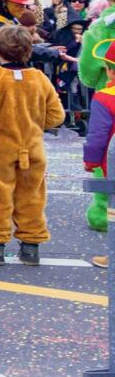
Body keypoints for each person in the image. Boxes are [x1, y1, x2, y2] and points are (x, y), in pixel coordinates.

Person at [0, 24, 65, 265]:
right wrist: (34, 122)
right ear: (30, 49)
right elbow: (56, 116)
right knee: (32, 195)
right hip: (32, 147)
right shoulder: (39, 78)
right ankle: (31, 246)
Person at [81, 36, 115, 266]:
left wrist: (91, 161)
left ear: (110, 71)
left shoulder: (104, 97)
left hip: (112, 162)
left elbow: (97, 135)